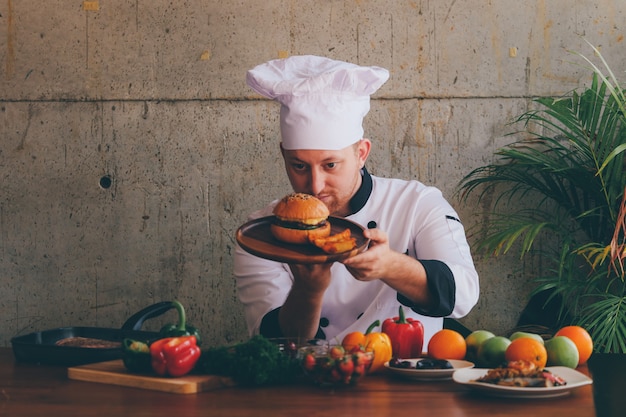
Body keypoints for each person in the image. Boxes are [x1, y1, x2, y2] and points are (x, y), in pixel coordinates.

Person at [235, 55, 479, 347]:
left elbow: (463, 296)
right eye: (299, 166)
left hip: (407, 380)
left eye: (330, 165)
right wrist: (309, 290)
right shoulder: (261, 234)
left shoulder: (417, 204)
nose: (315, 186)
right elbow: (271, 340)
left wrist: (391, 265)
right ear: (283, 155)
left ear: (361, 153)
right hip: (316, 381)